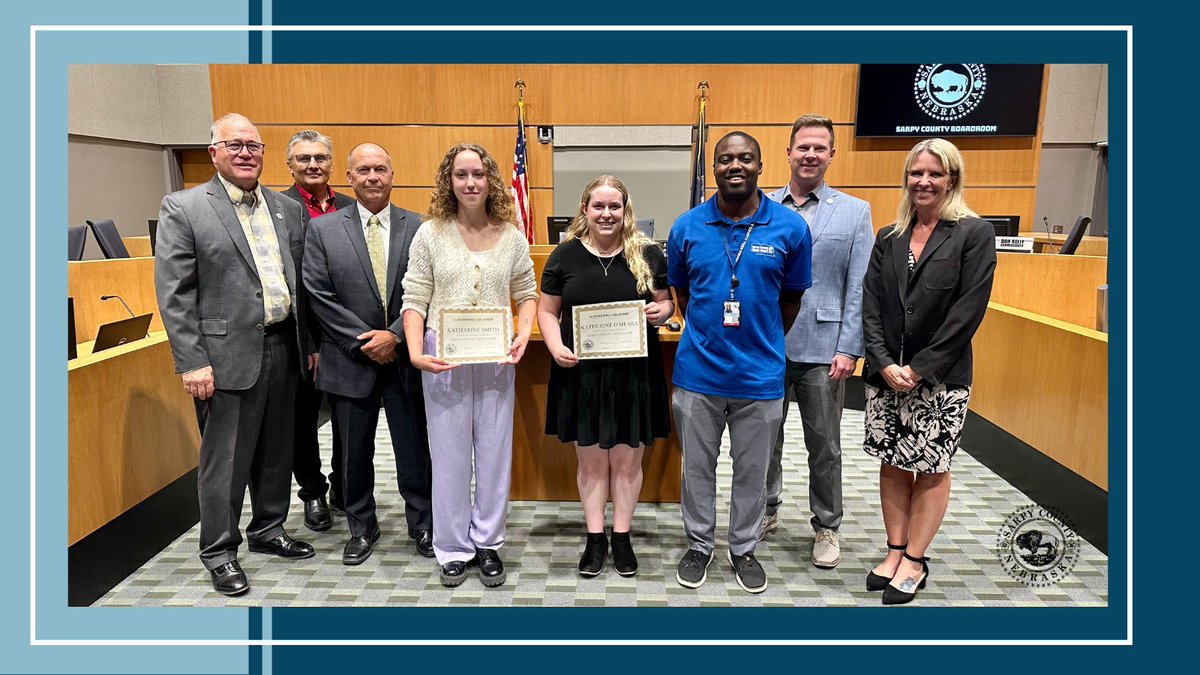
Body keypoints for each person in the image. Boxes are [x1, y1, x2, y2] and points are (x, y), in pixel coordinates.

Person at [154, 112, 313, 596]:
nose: (246, 153)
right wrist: (191, 360)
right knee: (224, 460)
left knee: (276, 449)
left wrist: (312, 346)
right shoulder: (184, 208)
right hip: (222, 357)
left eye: (254, 145)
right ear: (214, 153)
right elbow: (174, 294)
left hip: (285, 343)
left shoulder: (287, 208)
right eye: (235, 144)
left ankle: (268, 528)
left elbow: (300, 281)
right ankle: (220, 551)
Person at [667, 131, 812, 594]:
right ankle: (699, 544)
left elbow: (789, 300)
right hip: (698, 374)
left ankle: (744, 547)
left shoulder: (790, 228)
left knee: (752, 471)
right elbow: (684, 296)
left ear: (760, 166)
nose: (735, 166)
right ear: (714, 167)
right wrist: (713, 334)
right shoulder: (687, 226)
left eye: (745, 158)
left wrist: (760, 340)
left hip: (761, 375)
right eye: (726, 159)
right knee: (697, 468)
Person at [861, 138, 996, 605]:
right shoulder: (888, 236)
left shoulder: (973, 234)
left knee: (931, 467)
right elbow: (871, 306)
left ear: (951, 179)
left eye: (935, 174)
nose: (924, 181)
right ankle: (895, 550)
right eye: (917, 173)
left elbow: (968, 311)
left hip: (940, 376)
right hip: (887, 376)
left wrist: (918, 369)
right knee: (893, 463)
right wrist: (881, 361)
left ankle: (916, 559)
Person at [401, 142, 538, 588]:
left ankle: (489, 544)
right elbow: (415, 298)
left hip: (496, 353)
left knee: (496, 454)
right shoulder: (430, 234)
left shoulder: (511, 235)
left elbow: (527, 293)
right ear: (449, 181)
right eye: (461, 175)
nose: (470, 182)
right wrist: (415, 350)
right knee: (450, 456)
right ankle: (454, 547)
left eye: (477, 173)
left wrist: (522, 333)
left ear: (490, 178)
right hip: (444, 355)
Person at [302, 143, 434, 565]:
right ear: (350, 177)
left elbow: (431, 291)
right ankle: (361, 527)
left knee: (414, 450)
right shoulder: (322, 229)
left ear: (392, 175)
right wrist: (366, 340)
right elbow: (317, 295)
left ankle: (423, 523)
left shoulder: (420, 227)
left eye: (380, 168)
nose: (372, 176)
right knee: (352, 454)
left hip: (403, 358)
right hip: (350, 360)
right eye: (363, 170)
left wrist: (394, 336)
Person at [537, 175, 673, 577]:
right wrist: (553, 345)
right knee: (592, 461)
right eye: (599, 206)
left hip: (634, 374)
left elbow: (667, 304)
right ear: (585, 209)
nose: (607, 213)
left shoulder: (649, 254)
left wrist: (661, 313)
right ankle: (595, 539)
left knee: (628, 461)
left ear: (625, 210)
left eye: (615, 206)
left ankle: (622, 537)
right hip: (582, 374)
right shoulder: (564, 255)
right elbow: (547, 311)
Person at [761, 114, 873, 569]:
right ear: (788, 153)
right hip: (766, 346)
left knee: (824, 444)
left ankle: (827, 524)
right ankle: (765, 509)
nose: (809, 155)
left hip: (824, 349)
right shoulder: (761, 207)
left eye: (819, 148)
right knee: (762, 439)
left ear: (831, 155)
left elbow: (860, 286)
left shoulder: (854, 211)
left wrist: (849, 347)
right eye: (802, 147)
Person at [282, 129, 356, 532]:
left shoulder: (350, 205)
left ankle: (346, 486)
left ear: (332, 164)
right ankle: (312, 493)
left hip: (346, 334)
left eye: (320, 158)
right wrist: (308, 339)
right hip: (303, 337)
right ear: (289, 165)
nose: (313, 165)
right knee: (303, 421)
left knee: (349, 415)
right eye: (303, 159)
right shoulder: (277, 208)